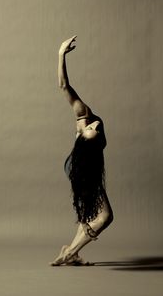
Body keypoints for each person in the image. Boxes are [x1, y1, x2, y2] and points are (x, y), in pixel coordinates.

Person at [50, 36, 113, 266]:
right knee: (106, 217)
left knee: (88, 210)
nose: (95, 126)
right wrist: (60, 54)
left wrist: (62, 54)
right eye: (93, 129)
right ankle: (69, 252)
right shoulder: (83, 122)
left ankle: (71, 251)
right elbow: (62, 85)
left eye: (92, 128)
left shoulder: (83, 113)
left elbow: (64, 86)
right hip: (78, 167)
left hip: (76, 164)